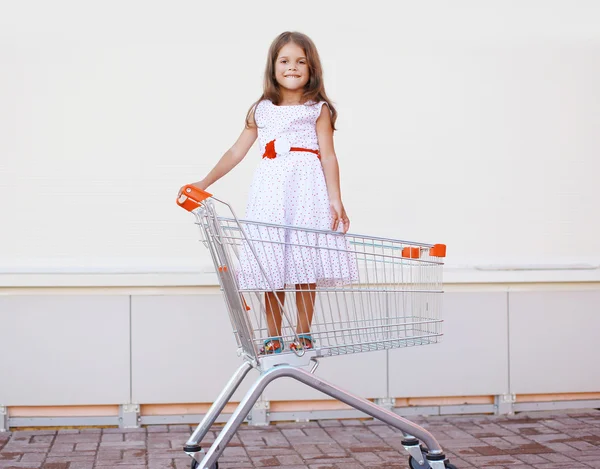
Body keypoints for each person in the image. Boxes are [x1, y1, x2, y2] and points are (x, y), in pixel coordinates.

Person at [191, 31, 356, 355]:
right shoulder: (261, 109)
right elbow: (236, 151)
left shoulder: (317, 109)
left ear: (312, 69)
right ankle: (273, 335)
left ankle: (304, 332)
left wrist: (335, 199)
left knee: (304, 261)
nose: (292, 67)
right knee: (272, 263)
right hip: (271, 193)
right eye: (285, 61)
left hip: (307, 191)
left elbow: (329, 155)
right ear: (273, 66)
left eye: (300, 62)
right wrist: (204, 183)